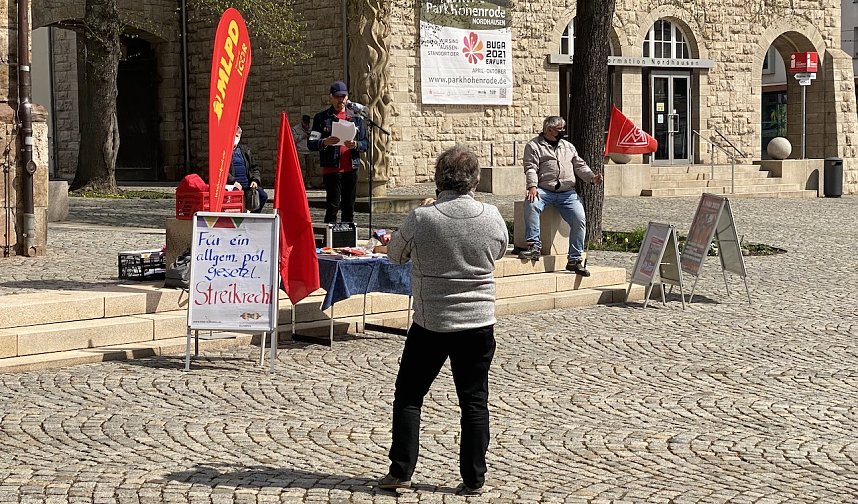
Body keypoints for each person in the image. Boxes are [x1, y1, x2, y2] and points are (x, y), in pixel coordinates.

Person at [379, 145, 509, 496]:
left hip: (432, 321)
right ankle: (474, 478)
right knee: (474, 401)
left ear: (438, 179)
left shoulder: (424, 217)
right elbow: (500, 250)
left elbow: (394, 254)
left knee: (409, 396)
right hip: (478, 320)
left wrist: (419, 214)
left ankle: (401, 470)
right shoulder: (491, 215)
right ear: (475, 180)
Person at [519, 116, 603, 276]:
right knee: (531, 203)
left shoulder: (568, 146)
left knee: (579, 219)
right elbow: (530, 167)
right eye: (560, 129)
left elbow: (580, 165)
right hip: (544, 189)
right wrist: (532, 186)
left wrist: (592, 178)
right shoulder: (534, 145)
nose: (563, 131)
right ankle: (533, 246)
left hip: (567, 192)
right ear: (549, 130)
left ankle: (574, 260)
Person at [307, 80, 368, 223]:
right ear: (331, 97)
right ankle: (330, 241)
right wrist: (324, 142)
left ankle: (347, 240)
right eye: (337, 97)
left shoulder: (356, 118)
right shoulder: (322, 118)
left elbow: (365, 143)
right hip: (332, 168)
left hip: (351, 168)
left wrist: (356, 144)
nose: (340, 100)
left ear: (347, 97)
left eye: (343, 97)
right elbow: (311, 143)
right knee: (332, 206)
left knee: (349, 207)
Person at [228, 126, 268, 213]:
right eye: (233, 135)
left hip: (248, 185)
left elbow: (254, 167)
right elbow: (222, 171)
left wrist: (255, 181)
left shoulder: (245, 150)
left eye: (237, 136)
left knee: (263, 196)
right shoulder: (224, 152)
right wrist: (233, 181)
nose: (234, 138)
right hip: (233, 185)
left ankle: (254, 217)